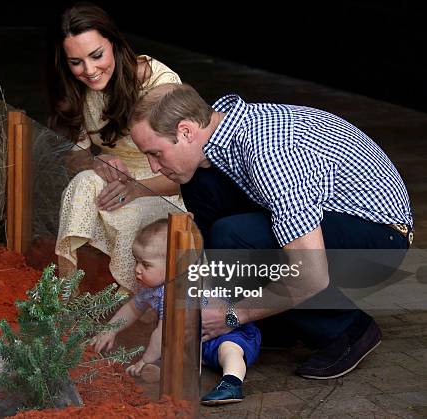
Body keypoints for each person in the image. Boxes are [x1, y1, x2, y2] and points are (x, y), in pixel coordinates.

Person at [128, 83, 413, 379]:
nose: (154, 166)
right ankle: (280, 324)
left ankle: (348, 329)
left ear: (186, 131)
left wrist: (233, 315)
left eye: (156, 153)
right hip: (335, 222)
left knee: (236, 235)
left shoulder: (269, 153)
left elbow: (312, 274)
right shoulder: (219, 135)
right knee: (202, 183)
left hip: (380, 241)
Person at [47, 2, 184, 293]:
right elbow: (74, 156)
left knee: (131, 215)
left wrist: (135, 187)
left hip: (163, 188)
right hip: (115, 184)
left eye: (97, 55)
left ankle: (130, 304)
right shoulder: (76, 88)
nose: (89, 70)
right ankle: (69, 292)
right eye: (76, 62)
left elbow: (186, 175)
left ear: (115, 44)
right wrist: (97, 162)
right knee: (83, 183)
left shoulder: (160, 84)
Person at [91, 219, 261, 405]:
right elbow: (132, 308)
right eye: (136, 261)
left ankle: (231, 382)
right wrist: (111, 329)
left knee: (229, 350)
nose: (137, 270)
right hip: (194, 343)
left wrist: (144, 360)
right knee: (173, 353)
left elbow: (162, 331)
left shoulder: (178, 290)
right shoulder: (153, 289)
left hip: (226, 333)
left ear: (173, 267)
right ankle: (161, 369)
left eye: (146, 265)